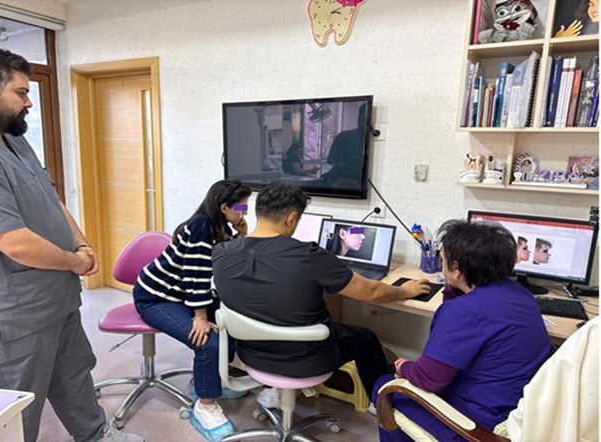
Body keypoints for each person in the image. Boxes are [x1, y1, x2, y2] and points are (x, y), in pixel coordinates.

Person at [0, 42, 142, 442]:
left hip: (53, 295)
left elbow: (48, 193)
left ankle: (96, 435)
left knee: (75, 374)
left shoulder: (9, 137)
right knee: (17, 408)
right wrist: (76, 262)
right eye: (21, 92)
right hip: (10, 313)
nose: (29, 102)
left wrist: (81, 244)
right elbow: (13, 242)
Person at [212, 181, 430, 405]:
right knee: (367, 339)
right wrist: (404, 290)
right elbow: (372, 292)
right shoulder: (308, 255)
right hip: (307, 360)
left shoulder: (221, 253)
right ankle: (382, 405)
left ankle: (278, 391)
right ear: (291, 218)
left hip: (252, 355)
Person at [373, 219, 552, 442]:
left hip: (480, 425)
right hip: (522, 410)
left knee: (385, 387)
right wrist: (455, 284)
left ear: (456, 268)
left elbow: (429, 379)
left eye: (443, 261)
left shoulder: (464, 311)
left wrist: (403, 367)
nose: (441, 266)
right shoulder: (521, 294)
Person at [133, 179, 252, 442]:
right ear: (223, 207)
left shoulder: (219, 226)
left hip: (180, 294)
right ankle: (205, 405)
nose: (244, 213)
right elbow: (196, 274)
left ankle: (212, 381)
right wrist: (200, 317)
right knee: (207, 341)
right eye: (241, 208)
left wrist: (242, 234)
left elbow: (227, 259)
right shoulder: (202, 226)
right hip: (155, 297)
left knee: (233, 320)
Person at [324, 103, 366, 189]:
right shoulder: (345, 137)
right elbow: (338, 170)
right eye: (364, 119)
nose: (368, 124)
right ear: (359, 119)